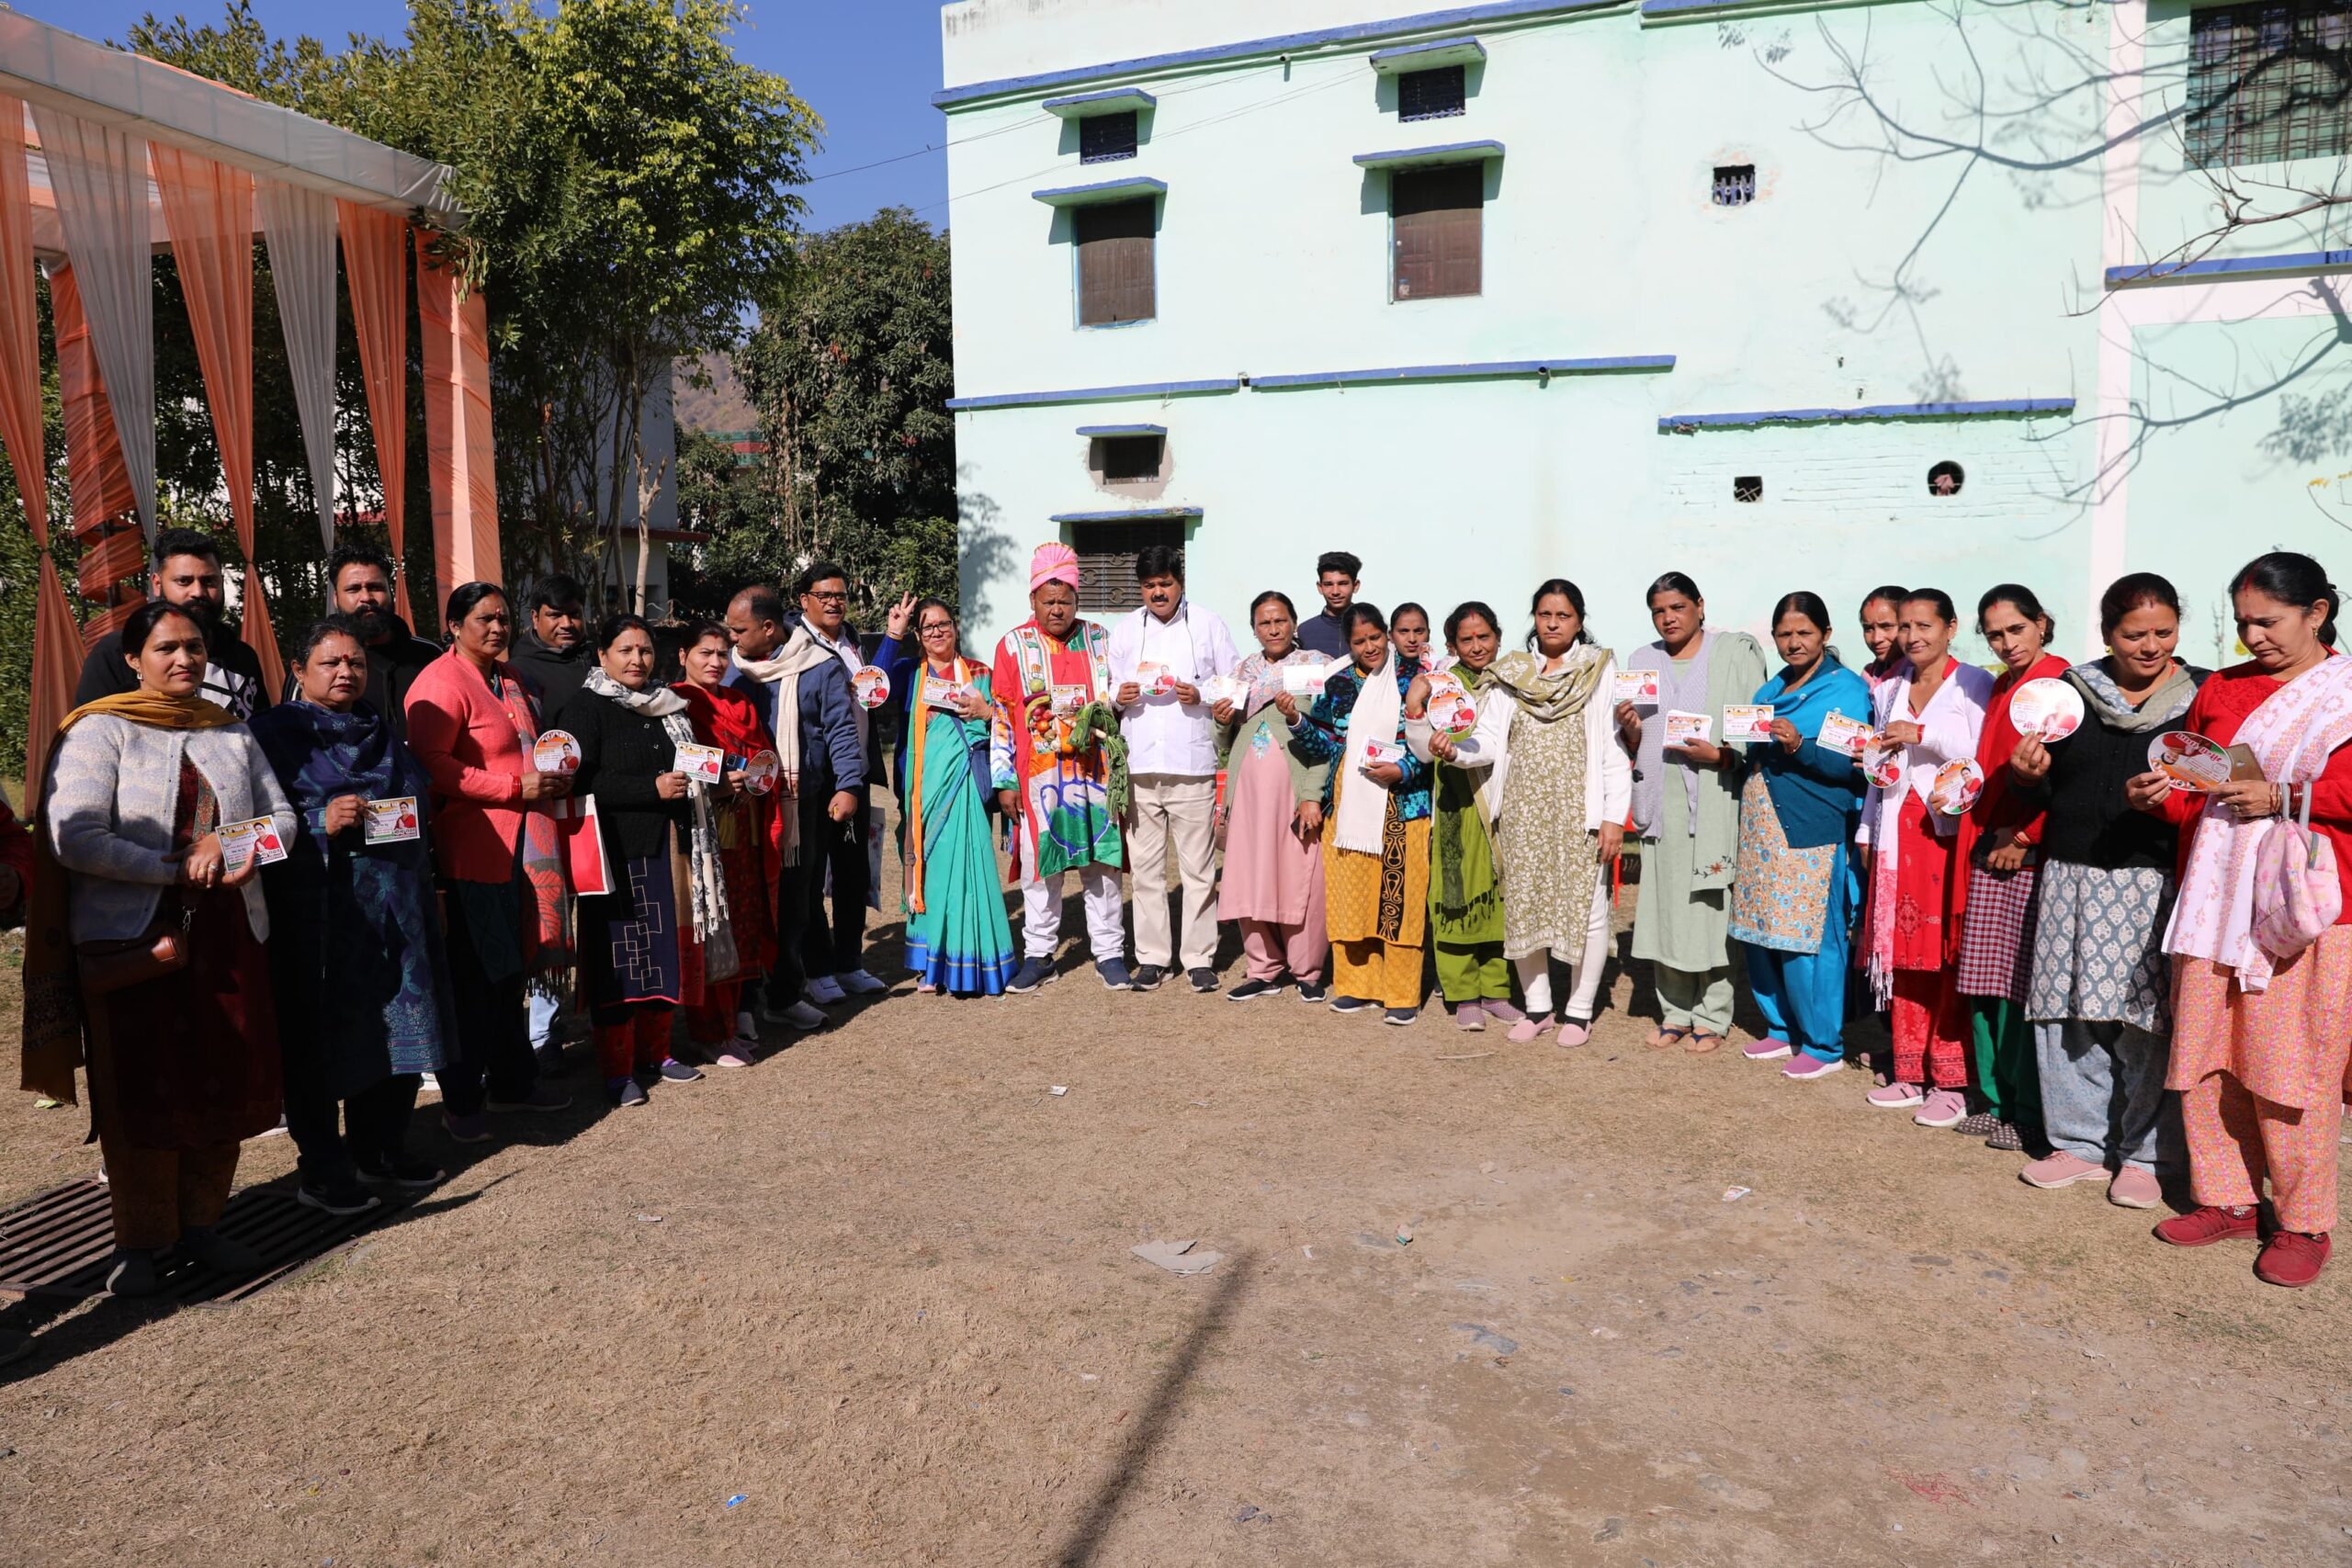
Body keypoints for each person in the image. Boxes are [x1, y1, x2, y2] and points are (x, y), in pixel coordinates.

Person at [28, 602, 296, 1295]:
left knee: (224, 1073)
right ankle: (140, 1242)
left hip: (231, 936)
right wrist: (175, 866)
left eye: (196, 648)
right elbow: (75, 838)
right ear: (133, 659)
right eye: (168, 648)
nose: (185, 660)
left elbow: (284, 822)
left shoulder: (230, 732)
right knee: (143, 1085)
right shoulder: (98, 732)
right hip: (135, 942)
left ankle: (204, 1225)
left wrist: (228, 843)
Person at [2137, 551, 2352, 1288]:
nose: (2253, 635)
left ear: (2318, 612)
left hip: (2306, 907)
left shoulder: (2345, 693)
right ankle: (2226, 1198)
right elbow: (2193, 786)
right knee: (2204, 1057)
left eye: (2269, 620)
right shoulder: (2223, 689)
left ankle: (2303, 1220)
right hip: (2213, 899)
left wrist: (2288, 797)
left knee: (2292, 1069)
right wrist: (2157, 794)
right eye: (2243, 623)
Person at [250, 616, 456, 1213]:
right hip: (319, 918)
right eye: (331, 663)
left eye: (356, 663)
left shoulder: (380, 729)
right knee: (320, 1043)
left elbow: (416, 806)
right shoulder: (271, 735)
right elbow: (247, 830)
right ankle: (321, 1167)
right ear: (297, 670)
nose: (347, 672)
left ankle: (380, 1147)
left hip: (395, 911)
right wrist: (319, 822)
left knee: (393, 1033)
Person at [2009, 573, 2199, 1210]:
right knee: (2068, 1012)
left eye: (2163, 632)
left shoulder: (2200, 695)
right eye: (2133, 634)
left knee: (2146, 1018)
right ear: (2107, 634)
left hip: (2156, 880)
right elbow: (2043, 787)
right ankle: (2078, 1143)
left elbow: (2215, 784)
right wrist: (2027, 775)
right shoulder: (2067, 695)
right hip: (2071, 872)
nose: (2150, 646)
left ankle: (2146, 1153)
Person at [403, 582, 573, 1142]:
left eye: (502, 618)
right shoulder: (441, 682)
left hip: (525, 846)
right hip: (473, 849)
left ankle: (513, 1082)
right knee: (474, 980)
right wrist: (509, 787)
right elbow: (431, 764)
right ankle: (462, 1098)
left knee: (507, 977)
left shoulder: (511, 678)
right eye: (483, 619)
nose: (497, 628)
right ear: (453, 625)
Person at [556, 615, 737, 1107]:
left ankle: (657, 1055)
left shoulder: (668, 705)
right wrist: (649, 789)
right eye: (625, 650)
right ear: (602, 655)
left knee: (663, 957)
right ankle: (618, 1070)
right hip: (615, 856)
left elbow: (690, 763)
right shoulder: (585, 708)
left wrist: (716, 781)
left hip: (670, 850)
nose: (637, 660)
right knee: (619, 964)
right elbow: (575, 781)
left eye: (644, 650)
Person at [1857, 589, 1994, 1126]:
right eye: (1905, 627)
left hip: (1945, 836)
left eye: (1923, 626)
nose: (1912, 637)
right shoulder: (1894, 686)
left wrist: (1924, 733)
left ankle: (1952, 1080)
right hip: (1898, 832)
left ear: (1951, 627)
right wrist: (1869, 829)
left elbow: (1980, 753)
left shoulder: (1973, 682)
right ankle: (1910, 1070)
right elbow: (1881, 761)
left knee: (1944, 954)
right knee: (1903, 955)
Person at [1618, 572, 1769, 1052]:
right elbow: (1636, 743)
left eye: (1678, 608)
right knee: (1664, 909)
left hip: (1714, 800)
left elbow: (1754, 729)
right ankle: (1674, 1011)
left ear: (1700, 606)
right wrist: (1630, 730)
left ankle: (1712, 1013)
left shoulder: (1731, 653)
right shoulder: (1643, 661)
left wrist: (1722, 756)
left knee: (1709, 908)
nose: (1669, 618)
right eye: (1659, 611)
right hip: (1662, 802)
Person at [1730, 592, 1872, 1077]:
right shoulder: (1769, 690)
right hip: (1763, 829)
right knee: (1763, 931)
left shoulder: (1845, 691)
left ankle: (1822, 1043)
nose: (1793, 642)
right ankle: (1779, 1027)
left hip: (1811, 827)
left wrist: (1799, 746)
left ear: (1826, 636)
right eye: (1785, 634)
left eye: (1804, 633)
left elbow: (1853, 767)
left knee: (1809, 936)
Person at [1951, 585, 2072, 1148]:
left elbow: (2073, 783)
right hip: (1989, 847)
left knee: (2020, 985)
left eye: (2015, 630)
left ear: (2041, 624)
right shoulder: (2002, 685)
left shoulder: (2063, 685)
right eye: (1995, 634)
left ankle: (2024, 1105)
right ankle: (1993, 1097)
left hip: (2027, 855)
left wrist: (2026, 837)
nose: (2005, 642)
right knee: (1984, 981)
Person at [1488, 581, 1631, 1045]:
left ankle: (1580, 1010)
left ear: (1579, 620)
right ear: (1533, 616)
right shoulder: (1512, 671)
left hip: (1578, 811)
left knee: (1586, 909)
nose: (1553, 623)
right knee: (1524, 906)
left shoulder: (1597, 668)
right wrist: (1447, 745)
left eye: (1563, 615)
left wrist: (1613, 817)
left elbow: (1611, 746)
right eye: (1545, 614)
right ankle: (1538, 1007)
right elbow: (1489, 740)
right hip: (1523, 810)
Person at [993, 543, 1131, 992]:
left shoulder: (1101, 640)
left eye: (1065, 600)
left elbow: (1115, 701)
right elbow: (1000, 714)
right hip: (1038, 777)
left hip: (1096, 772)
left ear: (1077, 599)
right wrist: (1004, 780)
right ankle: (1039, 954)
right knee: (1041, 866)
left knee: (1103, 863)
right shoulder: (1013, 645)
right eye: (1048, 600)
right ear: (1032, 600)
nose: (1057, 609)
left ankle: (1109, 952)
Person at [726, 585, 863, 1029]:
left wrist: (849, 786)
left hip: (800, 808)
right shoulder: (731, 670)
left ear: (768, 628)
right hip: (742, 806)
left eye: (739, 630)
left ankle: (783, 994)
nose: (731, 640)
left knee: (795, 904)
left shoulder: (819, 667)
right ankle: (742, 999)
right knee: (747, 901)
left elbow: (841, 730)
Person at [1290, 603, 1431, 1024]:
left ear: (1387, 635)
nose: (1369, 647)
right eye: (1359, 641)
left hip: (1402, 805)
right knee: (1351, 899)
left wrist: (1401, 769)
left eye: (1375, 637)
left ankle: (1401, 993)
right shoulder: (1338, 683)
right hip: (1348, 805)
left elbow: (1429, 742)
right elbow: (1330, 744)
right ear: (1348, 644)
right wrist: (1296, 719)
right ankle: (1356, 986)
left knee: (1399, 898)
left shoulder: (1415, 678)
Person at [1109, 544, 1241, 991]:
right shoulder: (1125, 630)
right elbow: (1106, 683)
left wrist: (1200, 693)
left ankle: (1200, 957)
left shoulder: (1208, 624)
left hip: (1191, 764)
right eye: (1149, 586)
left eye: (1165, 583)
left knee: (1198, 870)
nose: (1158, 593)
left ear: (1179, 582)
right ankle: (1152, 958)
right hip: (1140, 766)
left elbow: (1234, 683)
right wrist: (1117, 696)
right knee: (1145, 871)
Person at [879, 599, 1018, 996]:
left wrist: (987, 711)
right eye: (927, 627)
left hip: (965, 787)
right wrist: (894, 633)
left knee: (967, 870)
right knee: (927, 871)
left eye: (943, 624)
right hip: (920, 788)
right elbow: (871, 690)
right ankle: (931, 961)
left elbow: (1009, 724)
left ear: (956, 628)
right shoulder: (909, 674)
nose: (937, 632)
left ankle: (970, 958)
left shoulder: (979, 673)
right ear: (918, 636)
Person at [1403, 601, 1523, 1033]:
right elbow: (1420, 751)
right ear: (1452, 644)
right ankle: (1462, 994)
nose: (1477, 646)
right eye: (1466, 639)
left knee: (1498, 898)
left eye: (1484, 637)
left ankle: (1496, 990)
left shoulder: (1515, 682)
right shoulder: (1441, 684)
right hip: (1456, 805)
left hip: (1504, 802)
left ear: (1498, 637)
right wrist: (1416, 710)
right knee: (1455, 897)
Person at [791, 560, 906, 1000]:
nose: (835, 602)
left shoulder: (851, 639)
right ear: (805, 601)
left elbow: (869, 687)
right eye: (825, 595)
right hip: (815, 778)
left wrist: (893, 636)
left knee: (853, 873)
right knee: (811, 875)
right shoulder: (794, 645)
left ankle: (849, 962)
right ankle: (817, 969)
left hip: (852, 774)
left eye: (840, 595)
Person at [1213, 591, 1331, 1003]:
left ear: (1294, 623)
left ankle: (1308, 970)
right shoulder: (1241, 671)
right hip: (1248, 794)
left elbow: (1324, 736)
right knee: (1251, 875)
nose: (1274, 628)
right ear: (1254, 630)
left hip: (1294, 792)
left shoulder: (1314, 666)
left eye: (1280, 620)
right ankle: (1263, 968)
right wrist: (1219, 720)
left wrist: (1312, 794)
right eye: (1264, 623)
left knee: (1302, 877)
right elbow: (1224, 741)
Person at [675, 623, 780, 1061]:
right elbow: (678, 762)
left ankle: (734, 1017)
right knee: (712, 926)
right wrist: (718, 782)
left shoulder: (739, 701)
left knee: (742, 923)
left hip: (748, 827)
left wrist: (757, 776)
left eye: (723, 653)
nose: (716, 662)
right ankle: (709, 1030)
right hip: (706, 831)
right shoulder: (674, 702)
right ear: (684, 655)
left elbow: (762, 755)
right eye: (706, 653)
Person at [73, 526, 271, 718]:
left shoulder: (242, 657)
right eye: (184, 581)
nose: (198, 592)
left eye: (209, 581)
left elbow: (262, 737)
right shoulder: (116, 652)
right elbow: (89, 737)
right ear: (157, 584)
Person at [325, 540, 442, 740]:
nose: (366, 597)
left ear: (391, 592)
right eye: (353, 589)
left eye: (375, 587)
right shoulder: (317, 662)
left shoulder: (431, 657)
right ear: (336, 598)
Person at [508, 573, 594, 714]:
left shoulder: (602, 660)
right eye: (555, 615)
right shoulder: (517, 673)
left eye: (574, 614)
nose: (566, 624)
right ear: (535, 618)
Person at [1297, 550, 1362, 661]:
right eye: (1328, 584)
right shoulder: (1305, 631)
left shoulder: (1371, 627)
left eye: (1343, 583)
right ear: (1320, 587)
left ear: (1355, 586)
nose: (1335, 591)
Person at [1858, 585, 1910, 693]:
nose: (1876, 639)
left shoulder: (1919, 678)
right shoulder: (1869, 677)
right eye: (1868, 629)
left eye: (1886, 627)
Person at [1391, 603, 1438, 675]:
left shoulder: (1442, 672)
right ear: (1391, 636)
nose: (1412, 639)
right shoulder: (1378, 673)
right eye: (1404, 631)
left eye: (1418, 631)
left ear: (1428, 634)